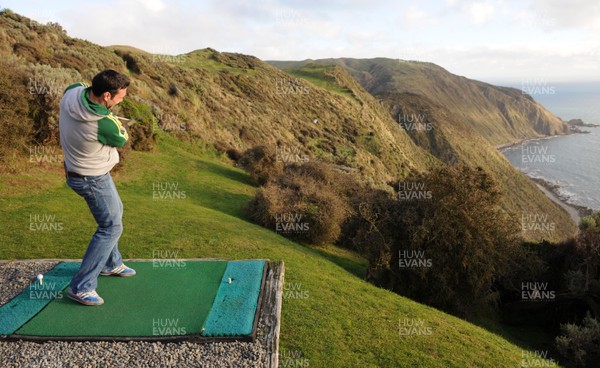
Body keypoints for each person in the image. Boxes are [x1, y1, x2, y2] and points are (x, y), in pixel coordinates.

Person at [59, 69, 136, 306]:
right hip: (92, 178)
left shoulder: (72, 92)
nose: (122, 100)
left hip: (77, 170)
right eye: (120, 97)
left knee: (115, 213)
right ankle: (81, 287)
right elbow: (122, 137)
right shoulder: (105, 124)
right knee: (111, 226)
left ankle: (111, 263)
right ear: (105, 96)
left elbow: (81, 84)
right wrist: (115, 121)